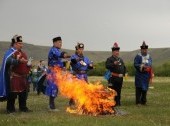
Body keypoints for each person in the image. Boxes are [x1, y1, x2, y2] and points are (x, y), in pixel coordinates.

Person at [0, 35, 32, 113]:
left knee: (23, 94)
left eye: (21, 43)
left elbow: (25, 64)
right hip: (14, 77)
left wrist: (28, 64)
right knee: (13, 95)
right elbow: (8, 61)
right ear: (14, 44)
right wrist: (17, 61)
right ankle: (10, 109)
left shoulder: (23, 53)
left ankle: (23, 108)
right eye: (19, 43)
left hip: (23, 78)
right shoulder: (10, 52)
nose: (21, 45)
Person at [46, 36, 69, 111]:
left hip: (57, 72)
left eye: (61, 42)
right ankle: (51, 106)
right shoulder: (53, 50)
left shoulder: (57, 50)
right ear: (54, 43)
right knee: (53, 88)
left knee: (55, 88)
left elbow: (59, 61)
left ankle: (51, 105)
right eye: (59, 42)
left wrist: (63, 67)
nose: (61, 44)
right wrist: (69, 56)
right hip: (52, 72)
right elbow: (61, 55)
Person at [105, 42, 126, 106]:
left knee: (118, 90)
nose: (117, 52)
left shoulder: (120, 59)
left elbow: (124, 67)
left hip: (120, 78)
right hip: (112, 78)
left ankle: (118, 102)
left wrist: (125, 72)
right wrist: (113, 63)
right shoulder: (109, 59)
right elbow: (107, 66)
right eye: (116, 51)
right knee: (112, 91)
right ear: (113, 52)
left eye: (118, 51)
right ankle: (111, 103)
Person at [134, 41, 153, 105]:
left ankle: (143, 101)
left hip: (146, 76)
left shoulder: (149, 56)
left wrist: (147, 66)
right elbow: (135, 64)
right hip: (139, 75)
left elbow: (150, 63)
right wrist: (141, 66)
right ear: (141, 50)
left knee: (145, 89)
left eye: (145, 49)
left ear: (147, 50)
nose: (144, 51)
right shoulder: (138, 56)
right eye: (143, 49)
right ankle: (138, 102)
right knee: (139, 88)